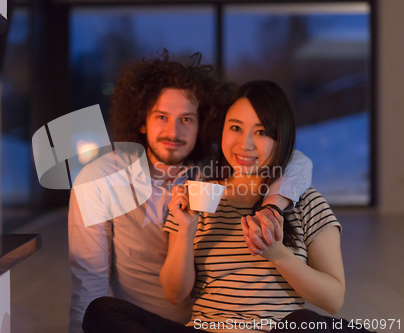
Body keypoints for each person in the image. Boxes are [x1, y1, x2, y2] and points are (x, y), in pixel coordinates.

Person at [81, 81, 374, 333]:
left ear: (280, 137)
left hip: (277, 329)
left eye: (261, 132)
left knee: (305, 323)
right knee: (102, 311)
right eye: (235, 127)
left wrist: (279, 255)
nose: (244, 143)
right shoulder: (199, 195)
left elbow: (333, 299)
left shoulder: (305, 202)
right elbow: (174, 293)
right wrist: (185, 230)